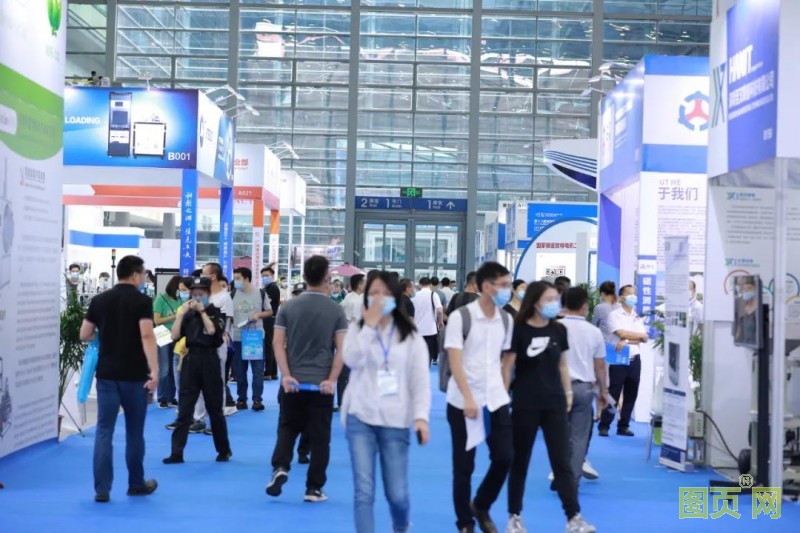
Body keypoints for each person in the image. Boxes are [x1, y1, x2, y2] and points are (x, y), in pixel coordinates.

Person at [341, 271, 431, 533]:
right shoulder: (358, 328)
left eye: (385, 293)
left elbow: (420, 379)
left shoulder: (410, 335)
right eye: (373, 293)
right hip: (360, 416)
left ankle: (401, 526)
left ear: (395, 297)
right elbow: (351, 360)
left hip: (396, 418)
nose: (379, 298)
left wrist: (421, 417)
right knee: (364, 491)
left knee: (397, 494)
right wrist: (369, 327)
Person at [502, 281, 596, 533]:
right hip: (525, 403)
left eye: (557, 299)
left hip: (554, 403)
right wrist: (502, 398)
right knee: (520, 461)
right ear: (535, 302)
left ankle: (573, 516)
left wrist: (567, 392)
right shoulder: (518, 330)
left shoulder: (558, 329)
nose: (555, 303)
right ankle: (514, 516)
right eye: (550, 299)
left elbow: (563, 364)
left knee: (561, 461)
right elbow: (507, 366)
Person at [267, 255, 348, 503]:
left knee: (288, 428)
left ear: (303, 277)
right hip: (321, 384)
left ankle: (281, 466)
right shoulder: (336, 310)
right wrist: (332, 379)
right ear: (327, 278)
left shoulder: (288, 307)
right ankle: (313, 488)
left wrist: (286, 375)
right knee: (320, 438)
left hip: (293, 382)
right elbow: (342, 349)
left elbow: (277, 343)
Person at [79, 255, 158, 503]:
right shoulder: (142, 301)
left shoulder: (99, 300)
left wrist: (106, 336)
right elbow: (147, 336)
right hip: (135, 376)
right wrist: (155, 370)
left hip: (107, 375)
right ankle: (136, 483)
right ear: (134, 275)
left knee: (104, 430)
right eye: (143, 273)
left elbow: (84, 334)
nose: (144, 278)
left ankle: (102, 489)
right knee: (135, 431)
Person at [443, 262, 514, 533]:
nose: (508, 290)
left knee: (505, 457)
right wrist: (469, 398)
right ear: (486, 286)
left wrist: (504, 388)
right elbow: (455, 361)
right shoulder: (461, 317)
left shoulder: (506, 319)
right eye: (504, 285)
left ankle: (481, 504)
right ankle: (465, 522)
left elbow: (507, 360)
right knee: (464, 466)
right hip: (462, 401)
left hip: (495, 398)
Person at [163, 278, 233, 464]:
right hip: (191, 360)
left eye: (200, 292)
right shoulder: (188, 314)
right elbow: (174, 335)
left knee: (215, 409)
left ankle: (223, 450)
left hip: (210, 361)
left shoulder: (216, 313)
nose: (196, 296)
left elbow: (212, 332)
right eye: (194, 292)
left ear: (208, 293)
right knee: (184, 410)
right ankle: (176, 453)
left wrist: (202, 312)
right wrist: (180, 315)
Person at [559, 287, 608, 492]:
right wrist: (603, 391)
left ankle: (558, 473)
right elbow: (600, 366)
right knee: (579, 437)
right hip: (584, 388)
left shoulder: (554, 327)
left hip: (558, 389)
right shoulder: (594, 332)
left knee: (558, 434)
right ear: (585, 305)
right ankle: (571, 481)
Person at [598, 285, 649, 437]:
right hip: (619, 358)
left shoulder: (637, 316)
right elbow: (620, 333)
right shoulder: (614, 315)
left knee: (631, 393)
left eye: (635, 294)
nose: (633, 297)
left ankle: (623, 426)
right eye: (630, 294)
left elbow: (644, 337)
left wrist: (626, 340)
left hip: (635, 358)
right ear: (621, 297)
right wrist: (631, 336)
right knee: (614, 393)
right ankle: (604, 425)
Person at [191, 263, 236, 435]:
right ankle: (199, 419)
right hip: (199, 344)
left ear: (213, 276)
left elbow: (225, 324)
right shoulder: (202, 296)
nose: (201, 276)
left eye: (204, 273)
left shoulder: (224, 298)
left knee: (217, 382)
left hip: (218, 344)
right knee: (198, 382)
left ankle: (217, 421)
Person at [232, 267, 273, 411]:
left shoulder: (260, 293)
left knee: (258, 370)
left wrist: (258, 315)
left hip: (255, 337)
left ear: (246, 279)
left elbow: (269, 311)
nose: (235, 281)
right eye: (235, 278)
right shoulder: (232, 294)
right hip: (237, 336)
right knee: (239, 371)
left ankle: (257, 400)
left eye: (238, 278)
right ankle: (241, 399)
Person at [153, 275, 182, 408]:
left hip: (177, 334)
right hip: (162, 333)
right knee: (164, 368)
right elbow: (157, 320)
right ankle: (162, 397)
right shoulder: (161, 299)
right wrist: (174, 316)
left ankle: (171, 396)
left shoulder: (180, 300)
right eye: (180, 288)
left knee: (174, 368)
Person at [338, 274, 366, 411]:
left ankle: (344, 401)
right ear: (359, 285)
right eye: (364, 282)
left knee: (347, 373)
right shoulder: (354, 300)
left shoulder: (349, 298)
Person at [412, 277, 443, 365]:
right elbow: (439, 311)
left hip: (417, 329)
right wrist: (440, 322)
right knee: (428, 355)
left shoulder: (415, 295)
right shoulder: (433, 294)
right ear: (430, 284)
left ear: (420, 284)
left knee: (418, 355)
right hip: (430, 330)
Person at [261, 266, 282, 381]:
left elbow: (265, 304)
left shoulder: (272, 288)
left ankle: (268, 372)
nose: (264, 277)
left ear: (272, 276)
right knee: (270, 345)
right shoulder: (267, 288)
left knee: (268, 346)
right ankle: (273, 372)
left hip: (269, 319)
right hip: (269, 319)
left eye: (267, 275)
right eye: (263, 276)